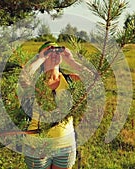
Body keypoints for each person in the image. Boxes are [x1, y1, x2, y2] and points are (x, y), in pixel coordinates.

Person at [20, 41, 90, 169]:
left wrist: (71, 60)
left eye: (57, 52)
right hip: (37, 145)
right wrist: (40, 57)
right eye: (49, 52)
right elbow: (22, 78)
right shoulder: (35, 84)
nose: (53, 55)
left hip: (65, 145)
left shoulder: (69, 80)